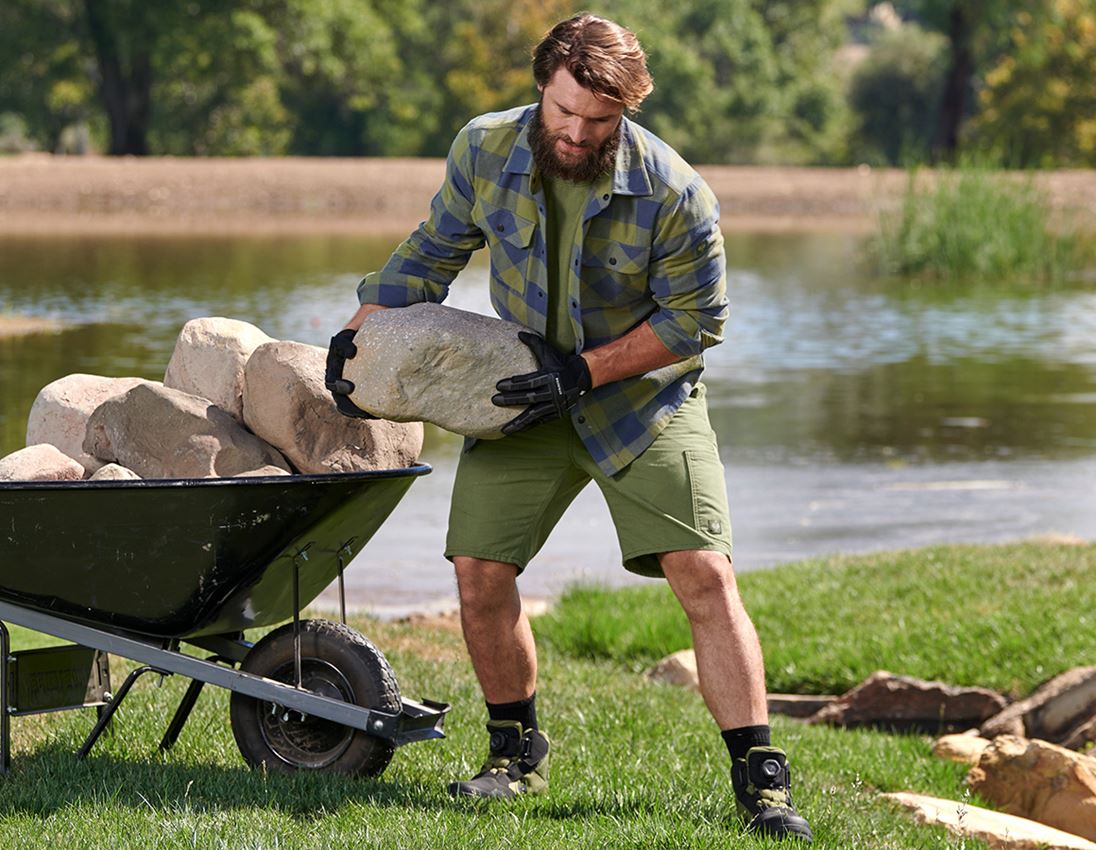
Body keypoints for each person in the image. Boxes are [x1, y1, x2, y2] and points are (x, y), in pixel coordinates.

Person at [326, 14, 812, 843]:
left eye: (600, 120)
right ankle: (515, 754)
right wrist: (361, 339)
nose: (579, 132)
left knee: (704, 573)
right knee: (479, 572)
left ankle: (760, 781)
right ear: (539, 89)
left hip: (641, 400)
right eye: (564, 112)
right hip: (520, 395)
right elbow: (430, 256)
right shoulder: (482, 151)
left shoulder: (676, 193)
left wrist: (583, 372)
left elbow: (696, 322)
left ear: (627, 109)